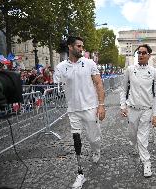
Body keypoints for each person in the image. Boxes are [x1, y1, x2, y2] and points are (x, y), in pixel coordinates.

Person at [53, 36, 106, 188]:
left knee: (93, 138)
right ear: (70, 47)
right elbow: (54, 86)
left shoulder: (89, 63)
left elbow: (99, 83)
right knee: (76, 139)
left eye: (82, 46)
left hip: (90, 108)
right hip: (73, 110)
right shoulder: (61, 67)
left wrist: (101, 105)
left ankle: (96, 150)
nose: (82, 49)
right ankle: (80, 173)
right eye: (79, 46)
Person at [120, 44, 156, 178]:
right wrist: (123, 106)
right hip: (132, 109)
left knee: (142, 137)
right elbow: (123, 89)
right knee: (133, 136)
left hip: (146, 110)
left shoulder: (155, 72)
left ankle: (146, 162)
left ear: (149, 55)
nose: (141, 55)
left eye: (144, 53)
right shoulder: (130, 70)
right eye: (139, 53)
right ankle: (134, 145)